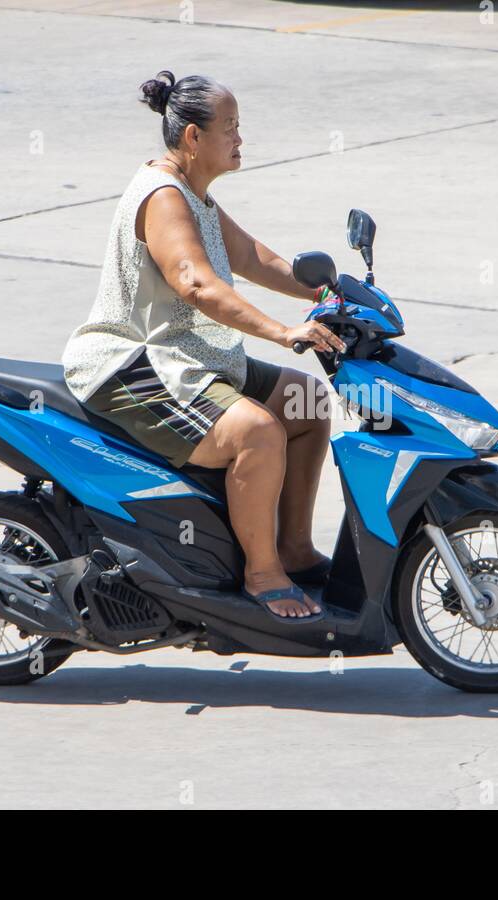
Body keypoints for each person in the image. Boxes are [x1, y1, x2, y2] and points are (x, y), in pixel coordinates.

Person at [62, 70, 344, 620]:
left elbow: (248, 256)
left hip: (193, 357)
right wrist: (283, 331)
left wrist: (328, 291)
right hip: (138, 364)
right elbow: (196, 283)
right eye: (231, 129)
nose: (241, 140)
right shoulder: (165, 197)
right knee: (259, 433)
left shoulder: (196, 194)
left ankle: (292, 549)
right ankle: (262, 574)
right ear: (193, 137)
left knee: (306, 404)